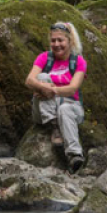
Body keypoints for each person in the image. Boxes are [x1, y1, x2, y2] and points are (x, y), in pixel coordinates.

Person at [24, 21, 87, 172]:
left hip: (71, 107)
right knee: (43, 77)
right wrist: (42, 85)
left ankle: (75, 156)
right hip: (43, 112)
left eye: (61, 40)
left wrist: (51, 90)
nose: (57, 44)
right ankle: (54, 126)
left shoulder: (78, 61)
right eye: (53, 40)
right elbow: (29, 80)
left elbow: (72, 89)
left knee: (64, 108)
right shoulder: (44, 58)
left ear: (69, 41)